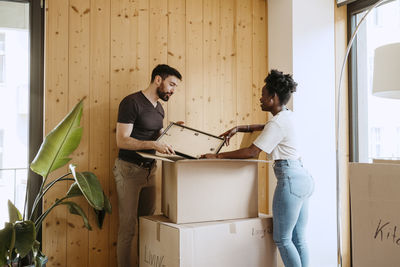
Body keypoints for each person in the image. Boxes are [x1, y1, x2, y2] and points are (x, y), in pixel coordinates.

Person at [202, 69, 314, 267]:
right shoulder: (288, 116)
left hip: (290, 180)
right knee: (299, 240)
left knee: (283, 239)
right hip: (304, 178)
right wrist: (239, 128)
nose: (260, 98)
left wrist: (217, 156)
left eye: (263, 95)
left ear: (273, 97)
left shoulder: (278, 123)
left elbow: (251, 152)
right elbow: (265, 128)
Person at [113, 64, 182, 267]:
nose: (173, 90)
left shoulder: (159, 109)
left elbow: (157, 135)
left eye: (176, 87)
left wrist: (172, 132)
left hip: (151, 171)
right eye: (171, 84)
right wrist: (153, 144)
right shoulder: (131, 103)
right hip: (128, 171)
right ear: (158, 80)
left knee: (147, 226)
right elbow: (122, 140)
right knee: (128, 229)